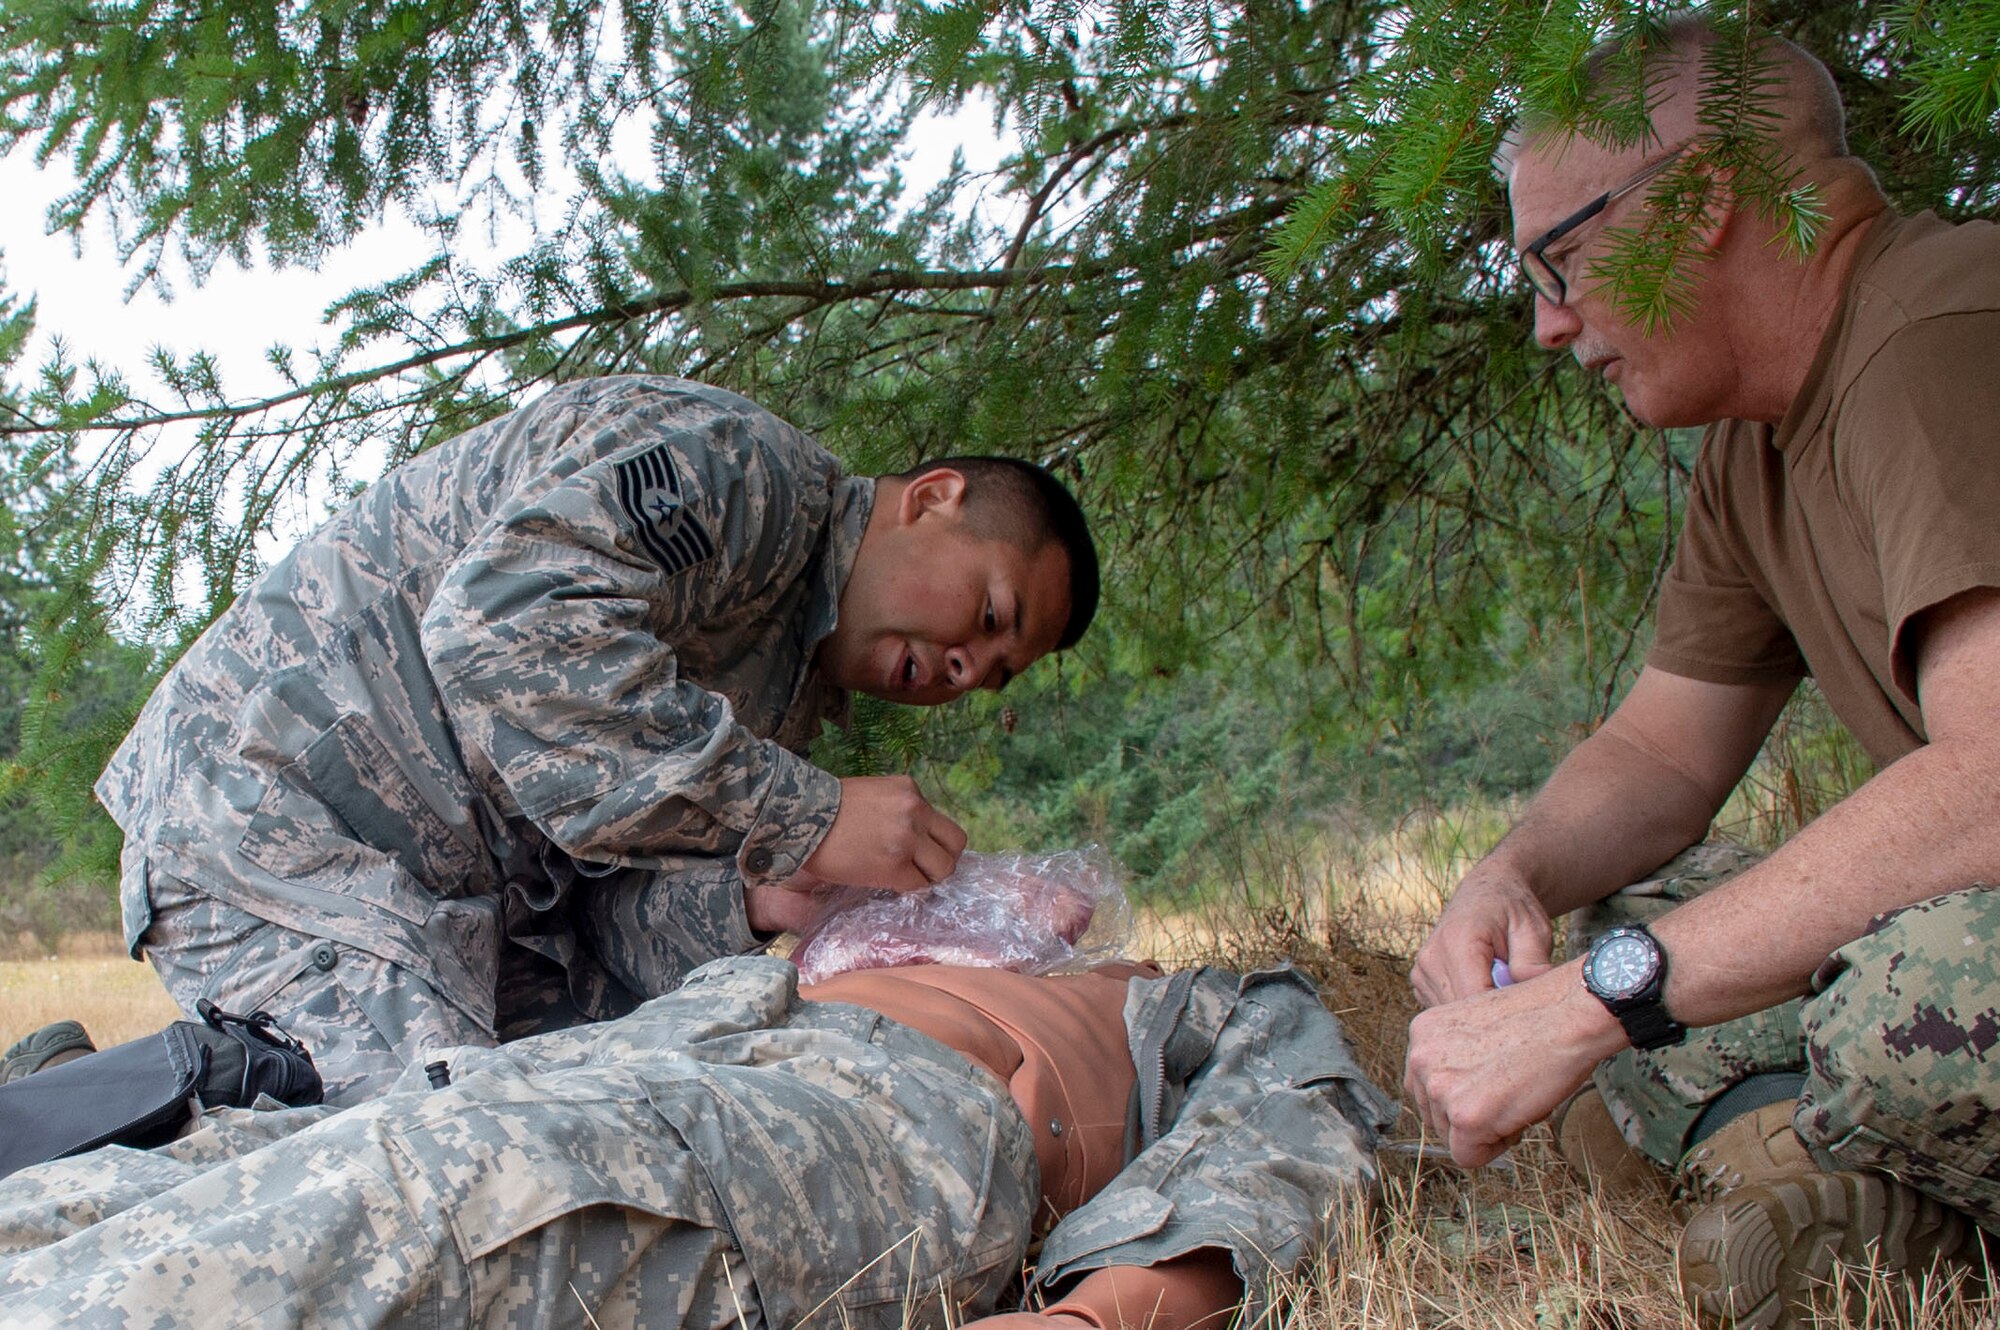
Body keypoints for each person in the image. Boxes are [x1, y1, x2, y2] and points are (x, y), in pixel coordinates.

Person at [1400, 14, 2000, 1328]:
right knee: (1615, 923)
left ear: (1702, 205)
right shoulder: (1762, 439)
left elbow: (1991, 788)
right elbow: (1661, 756)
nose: (1550, 327)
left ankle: (1827, 1161)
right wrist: (1510, 881)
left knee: (1916, 991)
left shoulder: (1939, 328)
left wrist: (1597, 1008)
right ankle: (1818, 1188)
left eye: (1560, 263)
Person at [82, 375, 1101, 1105]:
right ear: (931, 500)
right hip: (273, 810)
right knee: (448, 1165)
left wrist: (749, 901)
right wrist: (808, 815)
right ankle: (95, 1124)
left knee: (603, 1118)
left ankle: (89, 1105)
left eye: (995, 672)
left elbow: (595, 918)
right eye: (989, 612)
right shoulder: (747, 477)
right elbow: (500, 635)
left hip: (441, 904)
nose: (968, 666)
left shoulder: (779, 705)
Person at [0, 948, 1395, 1329]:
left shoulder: (1190, 995)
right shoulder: (839, 938)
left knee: (441, 1198)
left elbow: (1293, 1138)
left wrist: (1097, 1319)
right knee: (153, 1181)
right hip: (666, 1047)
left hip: (877, 1117)